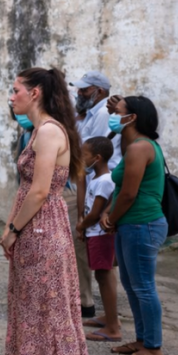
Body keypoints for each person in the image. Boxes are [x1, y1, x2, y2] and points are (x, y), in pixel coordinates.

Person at [3, 67, 90, 355]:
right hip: (35, 229)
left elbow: (40, 191)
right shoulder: (39, 130)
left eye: (16, 91)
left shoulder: (50, 132)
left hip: (43, 230)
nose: (12, 97)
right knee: (33, 306)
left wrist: (12, 228)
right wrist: (13, 227)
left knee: (54, 311)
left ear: (35, 93)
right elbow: (27, 187)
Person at [101, 96, 167, 355]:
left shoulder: (141, 148)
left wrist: (111, 218)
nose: (113, 115)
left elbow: (128, 193)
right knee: (133, 286)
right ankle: (142, 341)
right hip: (134, 224)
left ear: (133, 117)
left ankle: (153, 349)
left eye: (117, 112)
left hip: (141, 223)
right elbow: (122, 148)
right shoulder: (136, 145)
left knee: (143, 287)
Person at [70, 71, 119, 319]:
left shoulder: (102, 115)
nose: (79, 93)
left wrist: (83, 218)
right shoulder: (90, 114)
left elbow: (89, 153)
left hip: (97, 190)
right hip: (92, 188)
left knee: (101, 264)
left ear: (99, 91)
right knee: (101, 265)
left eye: (84, 89)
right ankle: (102, 313)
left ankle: (97, 311)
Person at [76, 137, 120, 343]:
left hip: (100, 235)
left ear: (97, 158)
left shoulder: (104, 181)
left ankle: (113, 327)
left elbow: (95, 213)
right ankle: (110, 318)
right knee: (103, 276)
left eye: (85, 155)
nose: (81, 159)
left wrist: (81, 226)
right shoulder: (96, 179)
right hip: (95, 234)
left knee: (104, 276)